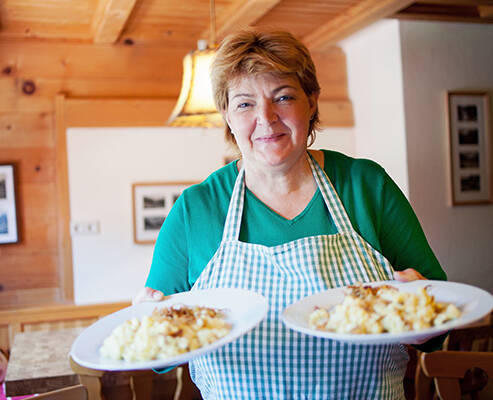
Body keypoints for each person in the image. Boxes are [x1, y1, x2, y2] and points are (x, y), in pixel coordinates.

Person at [134, 29, 446, 399]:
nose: (266, 119)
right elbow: (159, 356)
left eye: (283, 97)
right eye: (245, 103)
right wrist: (147, 323)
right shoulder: (195, 210)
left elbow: (441, 321)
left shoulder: (367, 187)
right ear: (227, 116)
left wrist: (423, 316)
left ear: (311, 102)